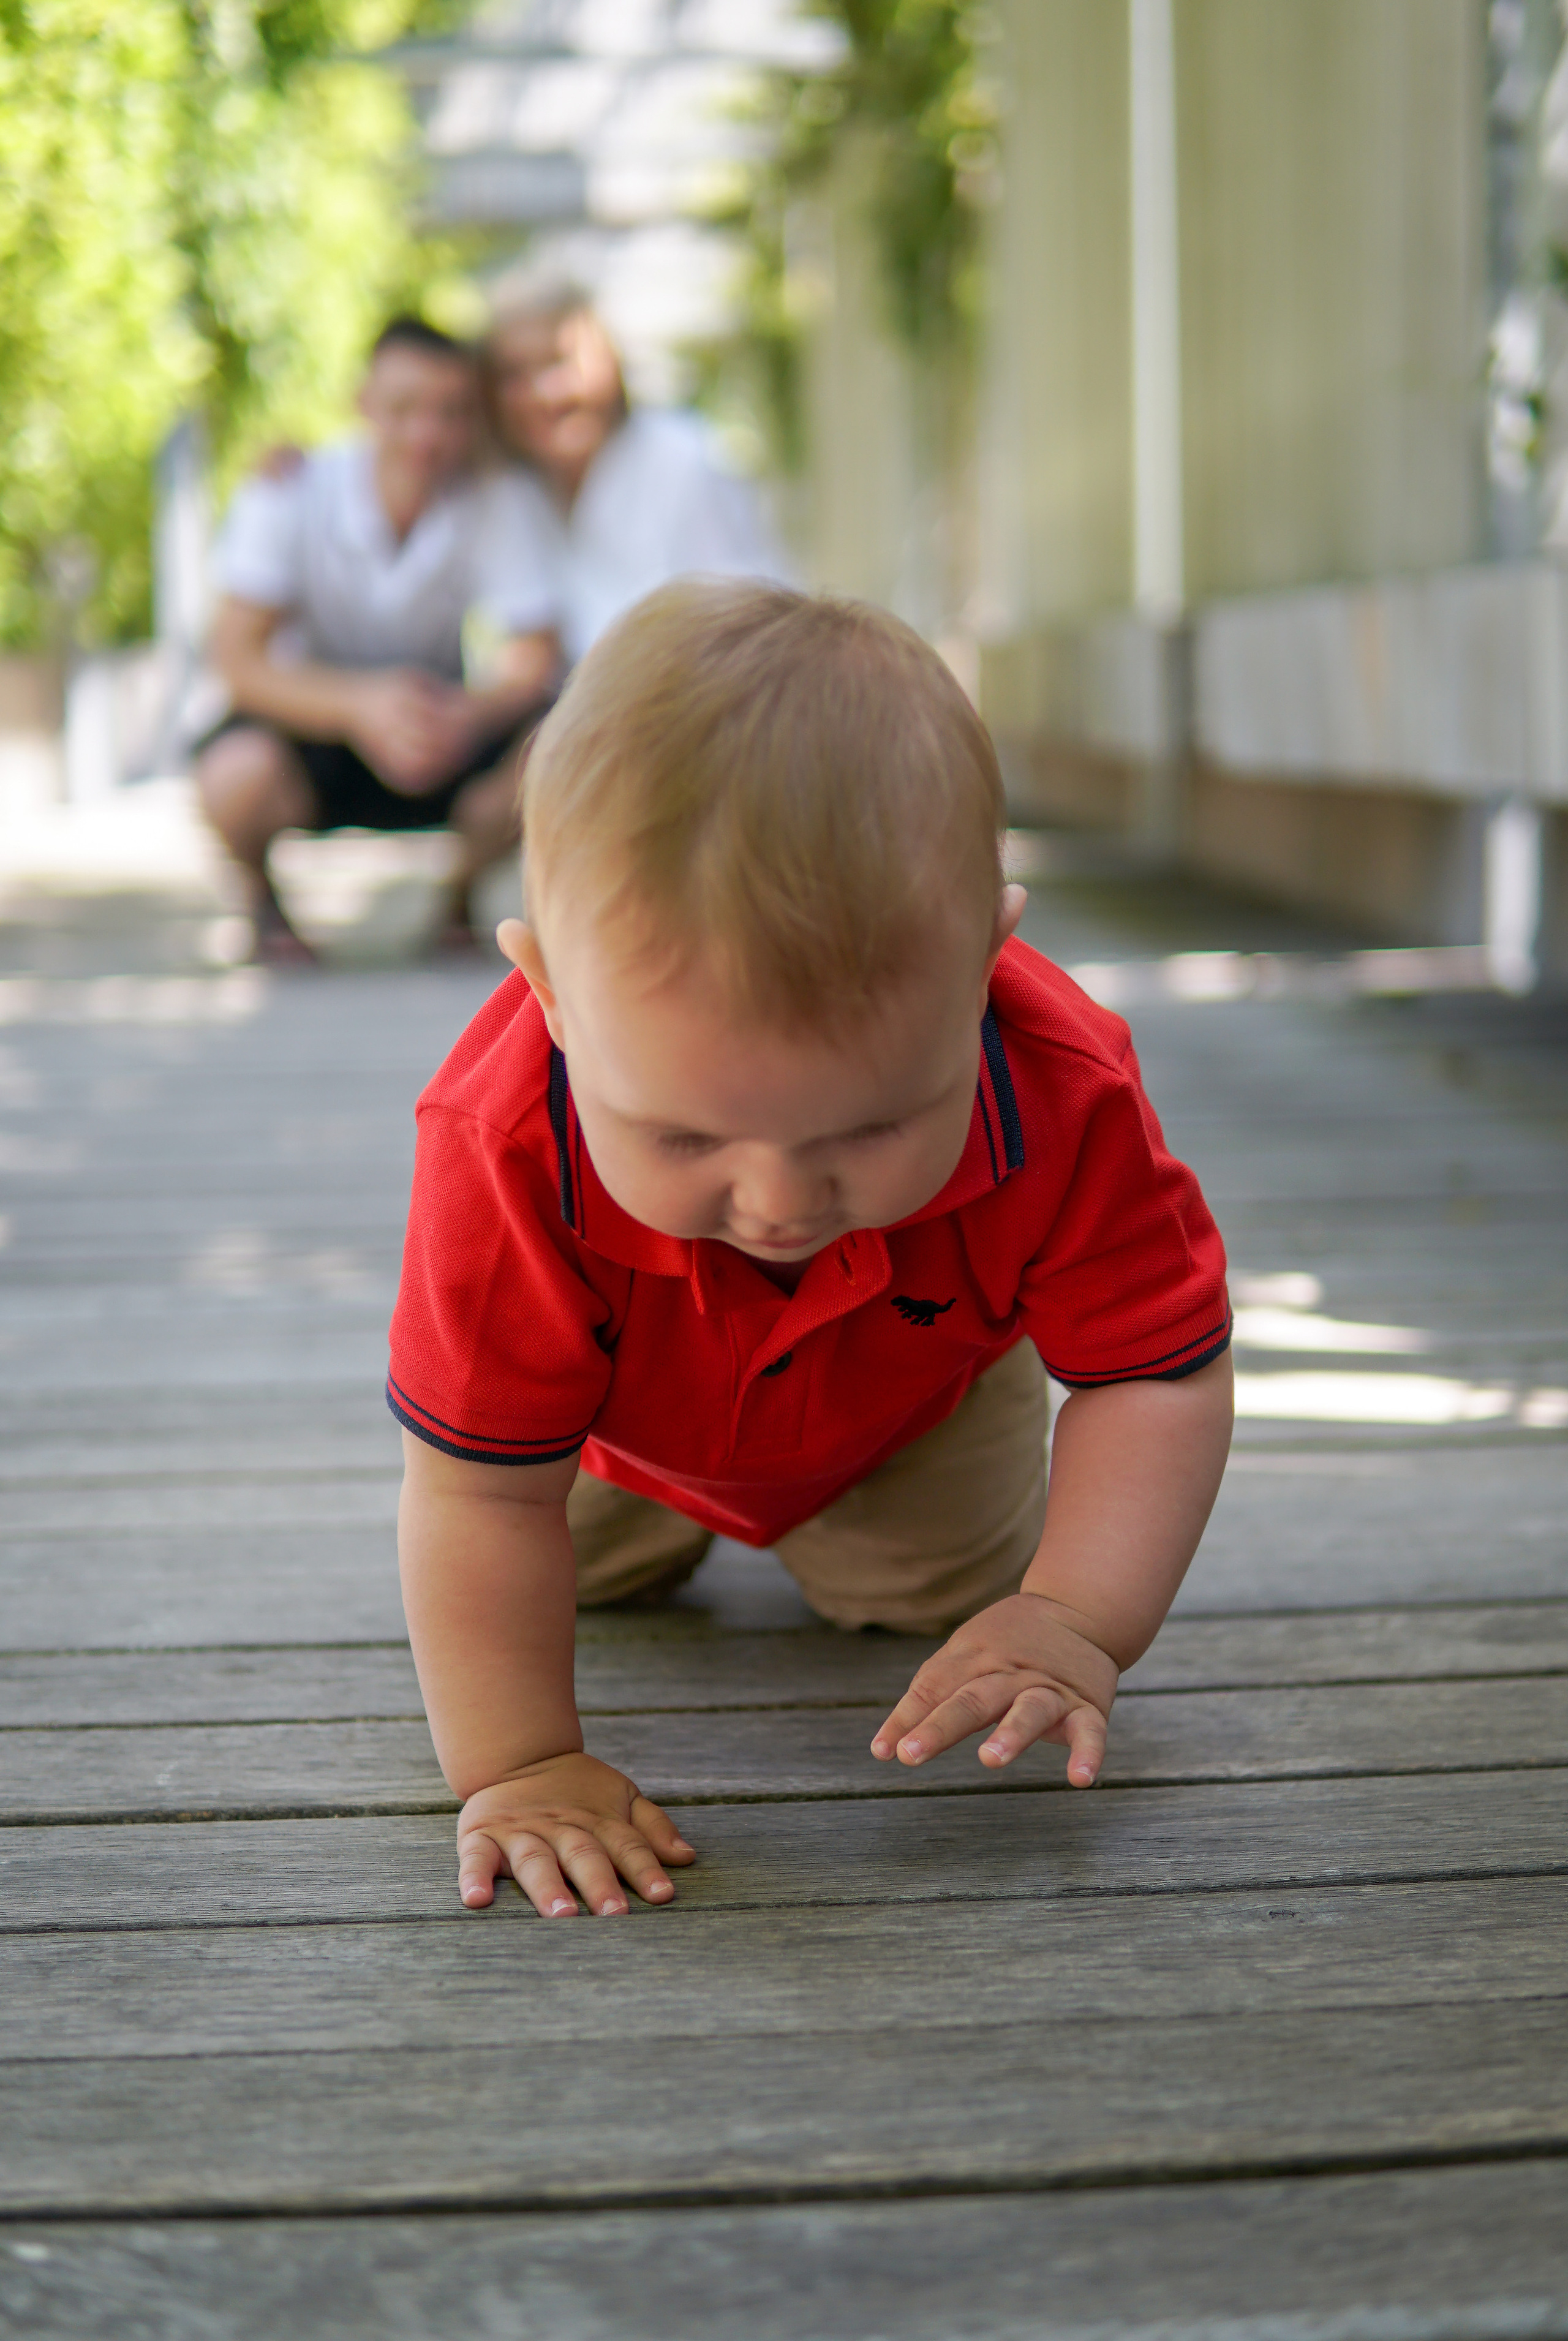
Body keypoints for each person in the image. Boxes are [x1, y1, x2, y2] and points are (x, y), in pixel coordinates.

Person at [389, 579, 1235, 1918]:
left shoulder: (1061, 1087)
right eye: (682, 1138)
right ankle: (644, 1538)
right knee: (562, 1580)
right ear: (549, 997)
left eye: (871, 1126)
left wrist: (1072, 1614)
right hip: (600, 1426)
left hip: (912, 1400)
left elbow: (1152, 1373)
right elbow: (480, 1494)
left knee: (940, 1597)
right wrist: (521, 1761)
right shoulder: (502, 1140)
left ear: (980, 975)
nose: (778, 1200)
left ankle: (930, 1546)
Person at [197, 317, 562, 961]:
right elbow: (234, 656)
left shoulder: (496, 496)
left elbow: (534, 653)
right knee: (233, 774)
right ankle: (263, 903)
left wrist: (464, 713)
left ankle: (457, 901)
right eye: (404, 409)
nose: (427, 433)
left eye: (450, 412)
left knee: (556, 750)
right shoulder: (288, 490)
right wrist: (360, 705)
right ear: (363, 405)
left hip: (442, 729)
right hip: (314, 733)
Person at [485, 274, 790, 663]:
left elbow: (741, 633)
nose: (544, 393)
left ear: (611, 360)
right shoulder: (514, 487)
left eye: (559, 361)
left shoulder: (685, 460)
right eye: (514, 375)